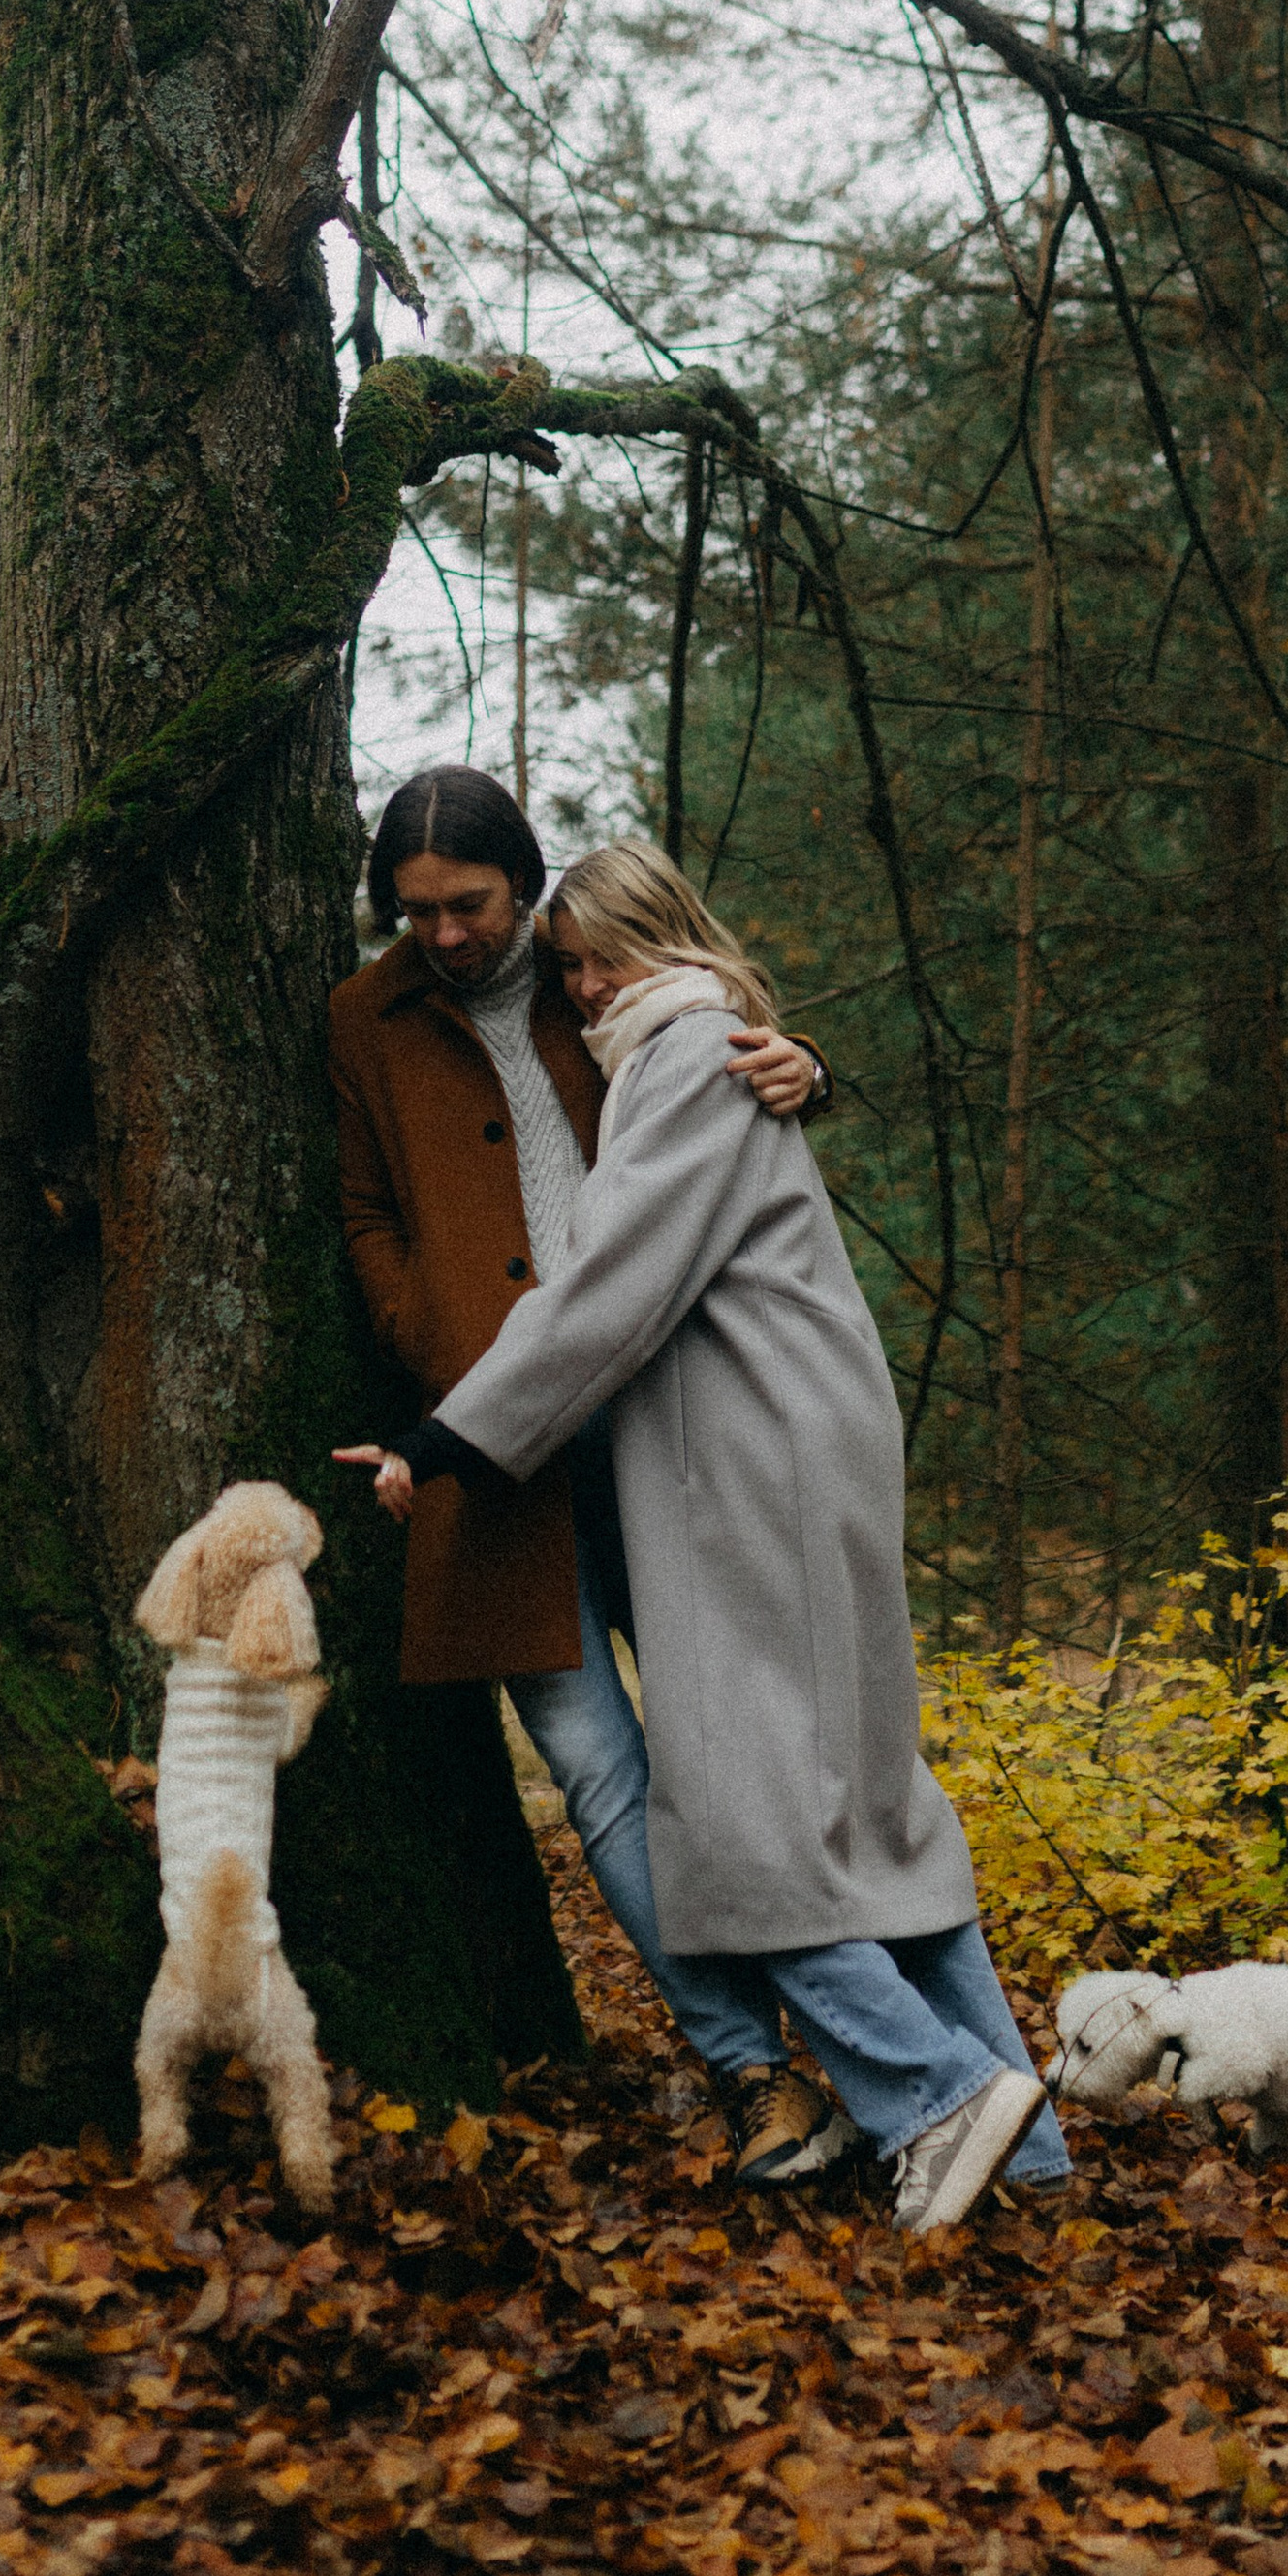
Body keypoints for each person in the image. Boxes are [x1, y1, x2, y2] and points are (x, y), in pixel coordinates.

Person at [339, 840, 1071, 2236]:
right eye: (572, 966)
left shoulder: (676, 1049)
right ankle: (1020, 2142)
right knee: (870, 1804)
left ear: (661, 937)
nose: (587, 984)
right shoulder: (694, 1037)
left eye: (601, 956)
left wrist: (445, 1440)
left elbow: (611, 1283)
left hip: (748, 1451)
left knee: (737, 1814)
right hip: (784, 1436)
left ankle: (934, 2097)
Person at [328, 769, 846, 2181]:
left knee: (730, 1742)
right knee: (600, 1773)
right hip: (487, 1441)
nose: (440, 933)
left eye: (467, 904)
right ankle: (754, 2074)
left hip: (665, 1417)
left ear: (525, 883)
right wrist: (424, 1329)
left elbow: (722, 1049)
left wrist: (804, 1061)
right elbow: (368, 1208)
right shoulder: (362, 1022)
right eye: (413, 909)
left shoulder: (585, 970)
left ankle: (880, 2051)